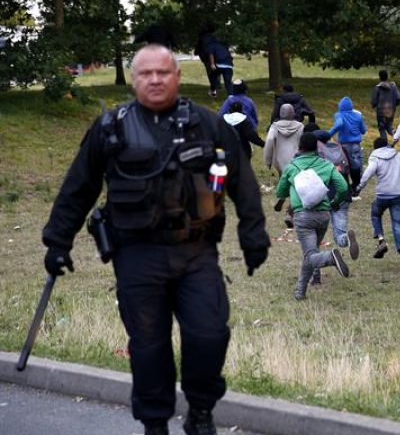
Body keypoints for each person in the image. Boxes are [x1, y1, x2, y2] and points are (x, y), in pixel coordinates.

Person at [41, 44, 269, 435]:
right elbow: (78, 187)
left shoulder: (208, 124)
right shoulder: (110, 128)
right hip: (137, 256)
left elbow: (242, 181)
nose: (155, 79)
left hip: (196, 253)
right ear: (134, 80)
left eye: (163, 72)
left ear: (178, 77)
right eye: (146, 73)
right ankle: (154, 423)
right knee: (149, 348)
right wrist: (57, 241)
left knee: (209, 334)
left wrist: (253, 234)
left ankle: (200, 411)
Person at [276, 132, 351, 301]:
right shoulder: (327, 165)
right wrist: (335, 202)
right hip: (324, 215)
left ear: (300, 147)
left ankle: (330, 257)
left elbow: (279, 192)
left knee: (310, 255)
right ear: (317, 148)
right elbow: (343, 186)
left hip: (303, 216)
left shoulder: (292, 167)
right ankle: (301, 291)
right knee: (311, 252)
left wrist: (293, 188)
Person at [358, 137, 400, 275]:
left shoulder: (375, 157)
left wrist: (359, 187)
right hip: (398, 195)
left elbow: (368, 172)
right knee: (397, 224)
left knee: (375, 214)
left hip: (382, 195)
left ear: (375, 147)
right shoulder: (396, 155)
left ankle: (381, 240)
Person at [314, 129, 359, 268]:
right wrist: (355, 185)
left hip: (324, 196)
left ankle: (316, 266)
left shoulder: (317, 153)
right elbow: (355, 167)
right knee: (339, 233)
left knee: (315, 235)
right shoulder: (342, 149)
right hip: (343, 194)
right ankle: (346, 239)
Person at [327, 96, 367, 195]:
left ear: (340, 106)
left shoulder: (339, 115)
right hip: (356, 145)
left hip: (343, 146)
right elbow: (363, 130)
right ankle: (356, 186)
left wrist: (328, 135)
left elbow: (339, 124)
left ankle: (346, 188)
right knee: (356, 166)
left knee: (342, 166)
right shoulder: (358, 116)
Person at [263, 104, 304, 176]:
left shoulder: (275, 127)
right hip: (296, 160)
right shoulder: (300, 126)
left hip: (279, 160)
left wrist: (268, 160)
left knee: (282, 178)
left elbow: (269, 140)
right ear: (293, 113)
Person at [370, 69, 400, 139]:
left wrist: (374, 105)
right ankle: (396, 137)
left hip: (381, 111)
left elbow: (374, 101)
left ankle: (384, 145)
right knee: (389, 126)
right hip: (391, 110)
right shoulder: (393, 87)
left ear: (380, 77)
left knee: (382, 128)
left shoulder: (378, 88)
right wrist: (394, 105)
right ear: (387, 77)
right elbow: (399, 98)